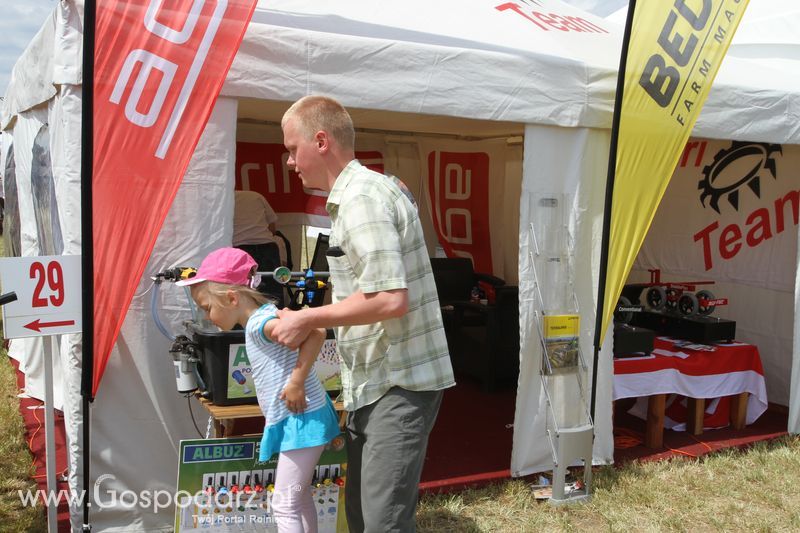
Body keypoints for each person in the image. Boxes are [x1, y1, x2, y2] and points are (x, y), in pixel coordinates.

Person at [272, 95, 455, 532]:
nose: (290, 162)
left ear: (321, 141)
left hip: (398, 381)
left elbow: (391, 299)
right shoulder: (365, 192)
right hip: (378, 381)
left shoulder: (361, 200)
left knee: (381, 523)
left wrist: (305, 319)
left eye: (292, 149)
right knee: (361, 514)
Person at [177, 247, 340, 533]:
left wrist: (297, 382)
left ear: (231, 298)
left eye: (207, 308)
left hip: (302, 420)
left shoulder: (259, 324)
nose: (208, 316)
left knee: (284, 504)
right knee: (296, 499)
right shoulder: (260, 320)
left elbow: (315, 332)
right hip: (300, 419)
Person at [233, 190, 286, 303]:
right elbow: (272, 227)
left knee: (244, 294)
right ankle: (276, 317)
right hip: (267, 247)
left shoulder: (223, 201)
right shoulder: (256, 195)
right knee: (273, 292)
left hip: (240, 250)